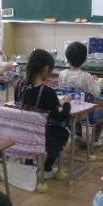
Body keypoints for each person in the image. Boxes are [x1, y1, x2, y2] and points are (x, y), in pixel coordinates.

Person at [14, 49, 71, 179]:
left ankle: (29, 164)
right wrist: (67, 104)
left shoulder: (19, 85)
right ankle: (47, 167)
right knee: (63, 133)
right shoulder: (47, 92)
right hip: (39, 134)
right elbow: (61, 117)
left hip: (21, 131)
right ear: (46, 69)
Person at [58, 41, 103, 147]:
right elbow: (96, 93)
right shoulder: (86, 77)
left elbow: (62, 90)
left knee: (76, 103)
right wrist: (95, 81)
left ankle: (77, 135)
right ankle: (95, 140)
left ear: (67, 58)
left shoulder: (62, 74)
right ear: (85, 59)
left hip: (69, 110)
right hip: (86, 113)